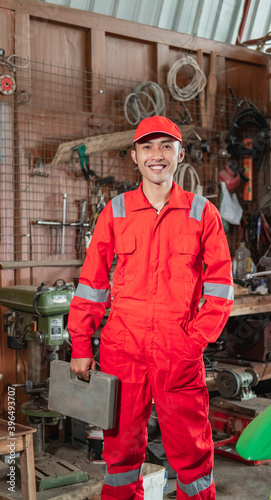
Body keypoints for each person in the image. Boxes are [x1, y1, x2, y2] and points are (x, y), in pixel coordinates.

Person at [68, 115, 234, 500]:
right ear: (134, 155)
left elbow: (221, 286)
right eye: (147, 147)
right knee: (120, 451)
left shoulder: (201, 212)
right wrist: (80, 345)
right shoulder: (117, 210)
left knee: (191, 451)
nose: (156, 155)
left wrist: (193, 342)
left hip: (178, 351)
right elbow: (92, 284)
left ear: (180, 154)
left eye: (165, 147)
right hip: (122, 349)